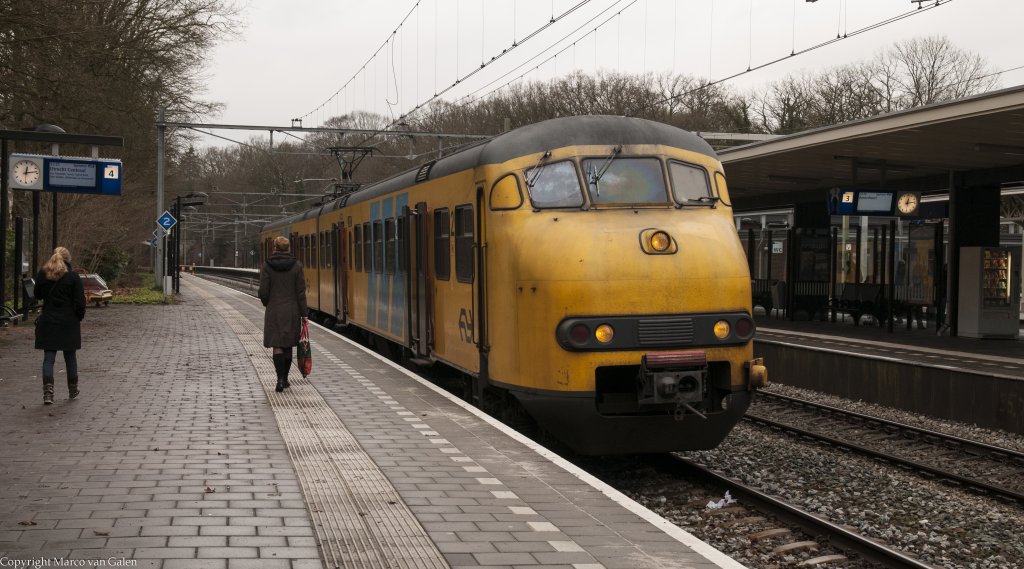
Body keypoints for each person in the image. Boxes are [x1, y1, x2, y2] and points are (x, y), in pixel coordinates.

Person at [34, 246, 86, 404]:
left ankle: (48, 393)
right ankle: (72, 389)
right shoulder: (73, 277)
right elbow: (80, 302)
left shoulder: (43, 275)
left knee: (49, 357)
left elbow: (36, 295)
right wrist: (78, 317)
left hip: (49, 320)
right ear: (68, 260)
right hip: (68, 321)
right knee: (70, 356)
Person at [258, 236, 307, 392]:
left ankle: (279, 379)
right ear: (288, 248)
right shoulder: (297, 266)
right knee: (288, 345)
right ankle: (285, 379)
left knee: (277, 345)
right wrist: (304, 313)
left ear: (274, 248)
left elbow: (263, 291)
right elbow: (301, 293)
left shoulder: (266, 265)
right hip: (292, 310)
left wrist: (267, 303)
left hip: (274, 310)